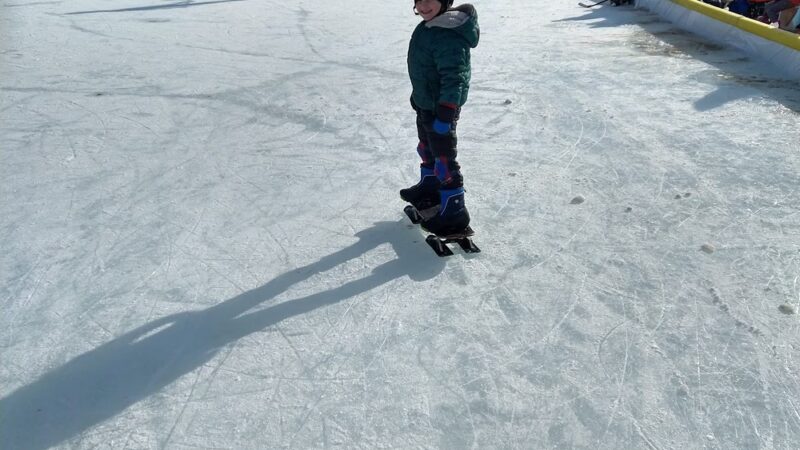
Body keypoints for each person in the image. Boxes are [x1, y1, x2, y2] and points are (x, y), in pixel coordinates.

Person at [400, 0, 480, 236]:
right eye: (419, 0)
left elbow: (456, 76)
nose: (423, 6)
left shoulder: (448, 33)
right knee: (427, 148)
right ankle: (431, 186)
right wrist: (418, 97)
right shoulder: (428, 26)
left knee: (444, 158)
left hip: (441, 108)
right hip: (426, 103)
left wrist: (447, 110)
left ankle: (455, 211)